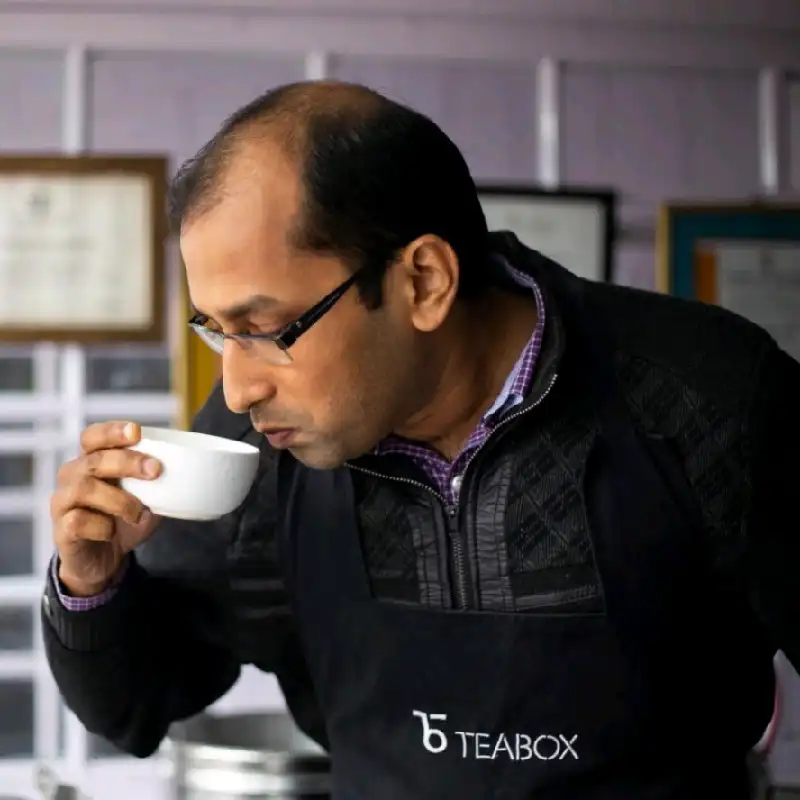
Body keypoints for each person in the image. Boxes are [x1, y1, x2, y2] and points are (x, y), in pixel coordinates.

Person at [43, 81, 798, 800]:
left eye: (266, 331)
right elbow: (134, 706)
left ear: (425, 282)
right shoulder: (260, 443)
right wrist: (92, 582)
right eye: (215, 331)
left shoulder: (713, 400)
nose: (238, 389)